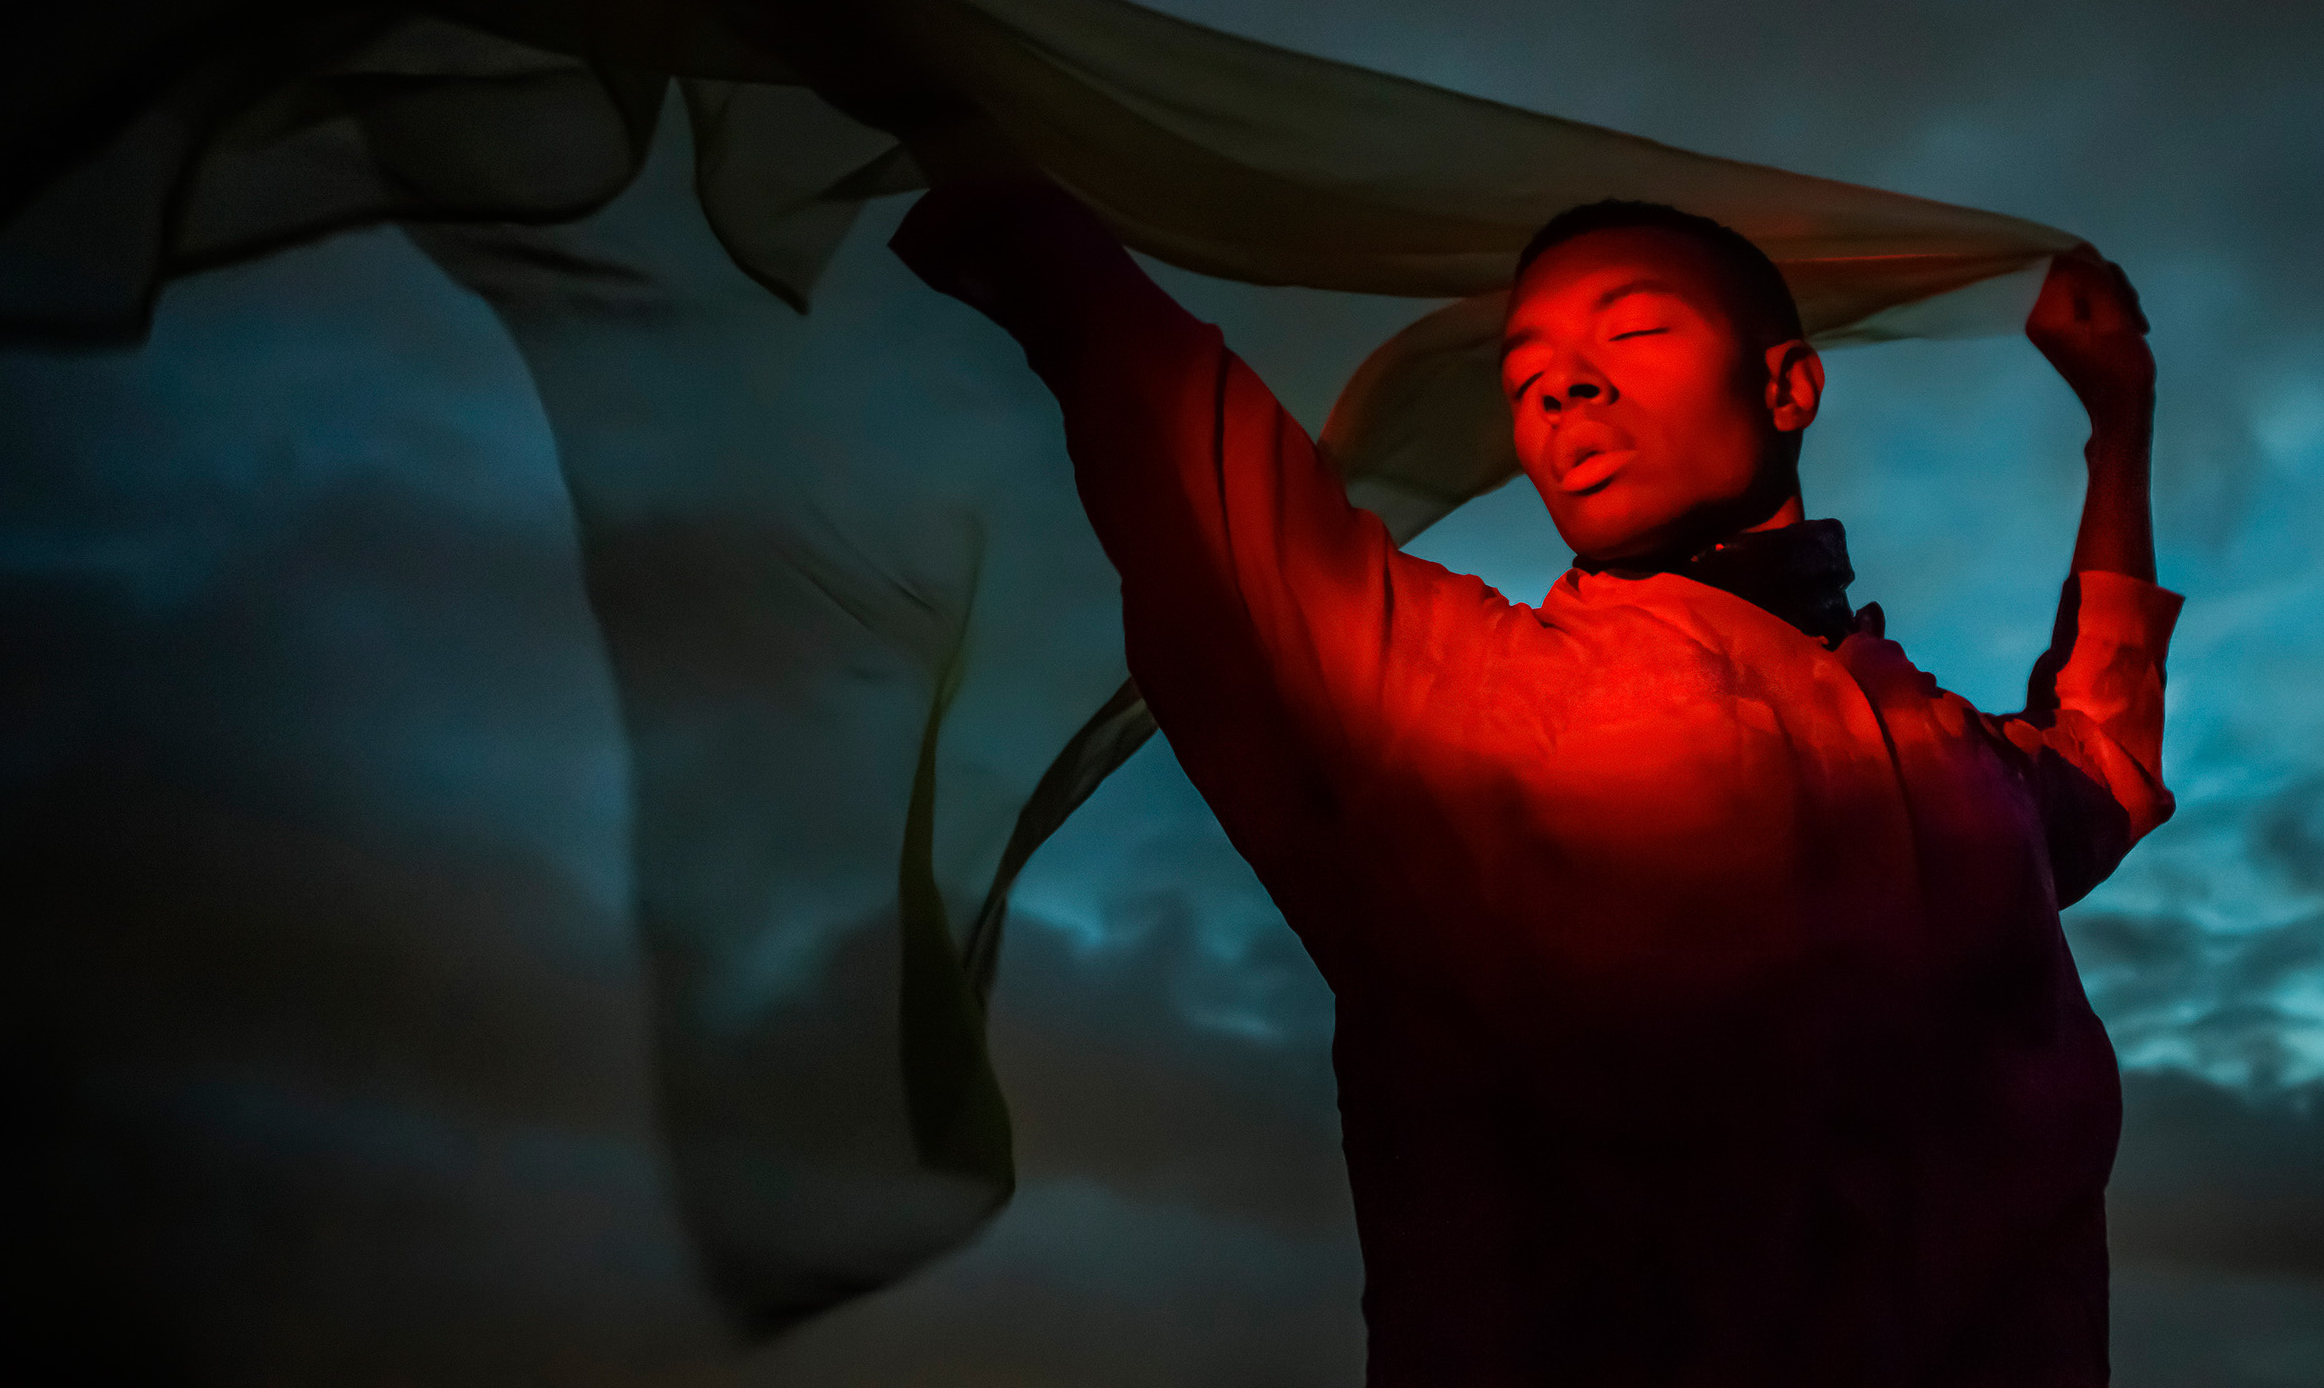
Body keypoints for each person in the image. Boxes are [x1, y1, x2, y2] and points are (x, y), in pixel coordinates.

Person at [889, 109, 2180, 1387]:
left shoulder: (1957, 763)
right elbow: (1164, 402)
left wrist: (2117, 424)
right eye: (1524, 377)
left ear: (1788, 385)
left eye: (1637, 330)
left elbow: (2104, 758)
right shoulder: (1450, 686)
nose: (1562, 385)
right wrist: (947, 118)